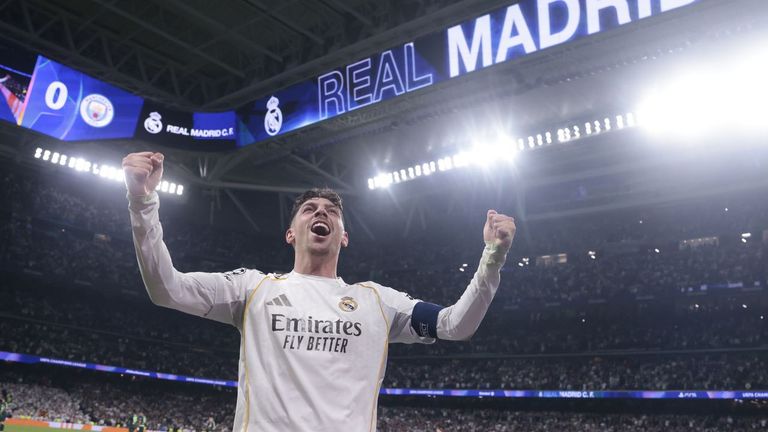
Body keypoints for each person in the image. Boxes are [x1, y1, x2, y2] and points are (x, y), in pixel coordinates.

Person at [122, 151, 516, 432]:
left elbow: (453, 324)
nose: (321, 212)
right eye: (309, 208)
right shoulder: (252, 288)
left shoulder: (377, 301)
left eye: (332, 210)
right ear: (291, 233)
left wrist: (492, 257)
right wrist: (142, 201)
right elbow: (166, 288)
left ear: (344, 237)